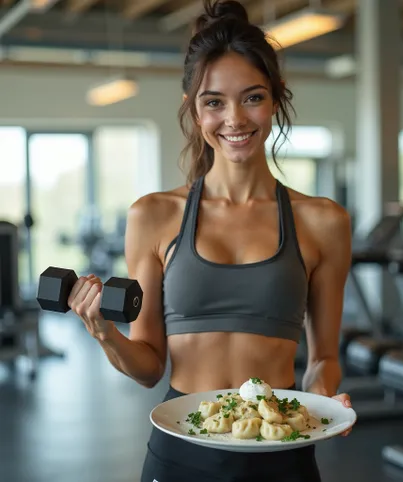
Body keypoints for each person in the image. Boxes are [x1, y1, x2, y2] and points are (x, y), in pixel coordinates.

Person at [67, 1, 353, 480]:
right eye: (214, 101)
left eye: (253, 97)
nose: (235, 119)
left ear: (278, 97)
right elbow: (149, 366)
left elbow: (323, 357)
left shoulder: (324, 221)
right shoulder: (154, 216)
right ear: (193, 109)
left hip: (279, 448)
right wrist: (105, 334)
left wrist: (324, 400)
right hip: (182, 451)